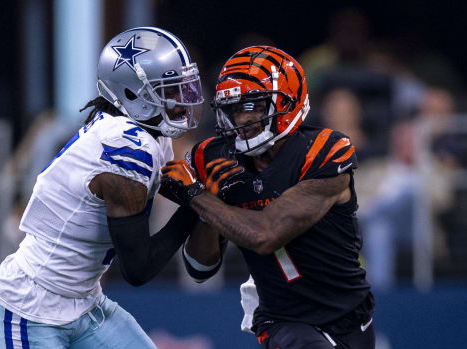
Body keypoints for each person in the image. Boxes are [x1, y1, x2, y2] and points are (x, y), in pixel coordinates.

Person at [0, 27, 204, 348]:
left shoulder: (146, 135)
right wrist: (195, 204)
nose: (184, 100)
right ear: (131, 93)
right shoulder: (125, 152)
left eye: (183, 87)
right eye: (170, 90)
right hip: (28, 307)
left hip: (85, 302)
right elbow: (138, 269)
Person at [159, 46, 375, 348]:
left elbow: (267, 233)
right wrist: (209, 206)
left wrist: (196, 196)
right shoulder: (217, 158)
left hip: (351, 316)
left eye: (251, 107)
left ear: (286, 102)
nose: (240, 119)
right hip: (283, 321)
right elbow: (200, 267)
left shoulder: (324, 151)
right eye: (233, 109)